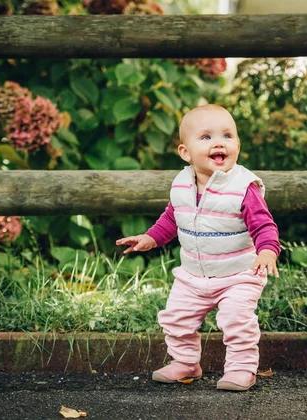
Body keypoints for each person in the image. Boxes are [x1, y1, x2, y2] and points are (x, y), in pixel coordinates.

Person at [115, 104, 280, 391]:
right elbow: (172, 217)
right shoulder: (181, 184)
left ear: (238, 145)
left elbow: (264, 225)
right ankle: (185, 362)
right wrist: (151, 238)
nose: (219, 142)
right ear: (185, 152)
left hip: (239, 274)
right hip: (193, 275)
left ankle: (241, 368)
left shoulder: (243, 186)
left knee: (236, 320)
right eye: (206, 137)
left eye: (228, 136)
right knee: (176, 317)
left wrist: (267, 250)